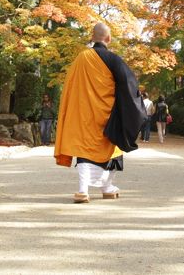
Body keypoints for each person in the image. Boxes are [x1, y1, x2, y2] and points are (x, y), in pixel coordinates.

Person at [54, 23, 146, 203]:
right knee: (113, 149)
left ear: (92, 36)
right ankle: (107, 187)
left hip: (83, 117)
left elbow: (70, 89)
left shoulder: (80, 59)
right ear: (109, 38)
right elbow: (129, 85)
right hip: (107, 117)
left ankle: (83, 190)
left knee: (84, 151)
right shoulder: (113, 59)